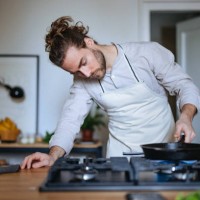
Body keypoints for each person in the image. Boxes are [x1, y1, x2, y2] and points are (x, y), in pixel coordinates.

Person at [21, 16, 200, 169]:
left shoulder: (145, 53)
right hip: (119, 160)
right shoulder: (82, 82)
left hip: (164, 154)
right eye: (75, 71)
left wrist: (186, 116)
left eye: (83, 62)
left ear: (89, 42)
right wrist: (52, 156)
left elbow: (183, 85)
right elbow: (69, 122)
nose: (85, 74)